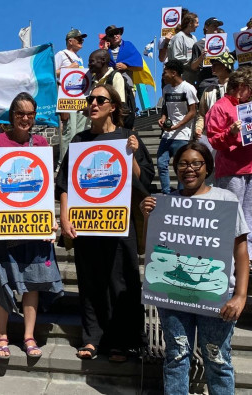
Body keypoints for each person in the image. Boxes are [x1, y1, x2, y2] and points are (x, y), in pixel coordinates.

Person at [140, 142, 250, 394]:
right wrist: (148, 218)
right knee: (177, 357)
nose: (189, 169)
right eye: (182, 164)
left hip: (217, 299)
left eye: (196, 163)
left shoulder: (226, 199)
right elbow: (149, 248)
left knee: (218, 360)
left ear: (207, 167)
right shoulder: (165, 203)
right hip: (172, 297)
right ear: (175, 169)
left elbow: (241, 251)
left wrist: (241, 296)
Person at [56, 84, 154, 362]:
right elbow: (64, 185)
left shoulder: (128, 137)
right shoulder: (78, 140)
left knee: (122, 282)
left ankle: (121, 342)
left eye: (101, 99)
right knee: (90, 281)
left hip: (120, 224)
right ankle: (92, 338)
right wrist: (64, 218)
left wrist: (133, 153)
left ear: (114, 106)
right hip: (86, 223)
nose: (93, 103)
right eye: (91, 99)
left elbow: (144, 180)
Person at [0, 92, 64, 359]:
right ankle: (1, 335)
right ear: (12, 116)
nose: (25, 119)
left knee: (34, 281)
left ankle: (28, 336)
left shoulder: (41, 143)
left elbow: (45, 186)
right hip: (4, 223)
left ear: (35, 116)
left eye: (30, 114)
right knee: (2, 280)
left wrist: (51, 220)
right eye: (20, 114)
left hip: (33, 223)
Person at [206, 66, 252, 263]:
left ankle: (247, 258)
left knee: (249, 217)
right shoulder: (220, 107)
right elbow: (214, 140)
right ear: (241, 87)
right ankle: (228, 259)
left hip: (250, 166)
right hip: (231, 170)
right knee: (232, 216)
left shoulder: (248, 106)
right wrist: (230, 133)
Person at [157, 59, 198, 194]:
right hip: (167, 134)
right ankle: (166, 192)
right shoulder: (166, 88)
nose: (163, 75)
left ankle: (181, 194)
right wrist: (163, 118)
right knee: (161, 163)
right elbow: (165, 108)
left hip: (182, 135)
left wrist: (177, 126)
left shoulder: (188, 88)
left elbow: (193, 112)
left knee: (181, 166)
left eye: (165, 72)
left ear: (174, 73)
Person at [55, 28, 88, 167]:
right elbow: (52, 73)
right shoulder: (61, 54)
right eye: (79, 39)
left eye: (82, 39)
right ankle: (64, 163)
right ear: (70, 41)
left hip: (80, 95)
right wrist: (69, 69)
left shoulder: (80, 58)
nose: (82, 41)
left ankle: (77, 161)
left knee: (81, 130)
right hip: (67, 97)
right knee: (70, 130)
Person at [190, 17, 224, 97]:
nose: (216, 27)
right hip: (205, 82)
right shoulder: (198, 45)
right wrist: (201, 57)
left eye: (217, 26)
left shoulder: (221, 42)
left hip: (220, 81)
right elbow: (193, 67)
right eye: (214, 25)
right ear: (206, 27)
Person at [167, 12, 199, 85]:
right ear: (190, 23)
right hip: (181, 78)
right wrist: (192, 63)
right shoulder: (179, 37)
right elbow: (176, 57)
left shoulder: (193, 38)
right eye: (196, 23)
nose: (198, 25)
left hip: (191, 78)